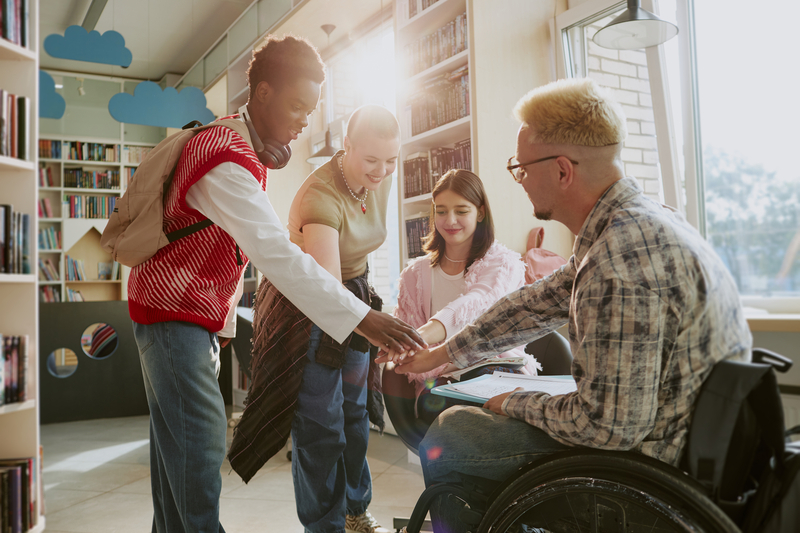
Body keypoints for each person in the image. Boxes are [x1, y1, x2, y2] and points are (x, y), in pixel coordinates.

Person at [379, 77, 752, 532]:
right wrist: (440, 355)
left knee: (452, 434)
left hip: (651, 469)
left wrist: (515, 401)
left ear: (561, 170)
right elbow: (533, 305)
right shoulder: (627, 226)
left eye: (521, 168)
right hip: (659, 432)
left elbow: (608, 429)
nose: (518, 180)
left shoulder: (620, 259)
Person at [127, 35, 424, 533]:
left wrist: (219, 330)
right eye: (297, 107)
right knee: (197, 462)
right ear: (261, 94)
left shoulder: (237, 146)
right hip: (172, 317)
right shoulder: (225, 158)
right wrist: (364, 317)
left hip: (182, 319)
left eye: (311, 111)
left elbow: (225, 255)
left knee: (174, 469)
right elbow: (279, 258)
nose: (304, 121)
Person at [229, 104, 400, 533]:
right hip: (307, 309)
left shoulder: (379, 177)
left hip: (352, 298)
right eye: (372, 160)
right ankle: (324, 527)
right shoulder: (320, 195)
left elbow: (359, 256)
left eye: (391, 160)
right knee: (322, 428)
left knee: (354, 418)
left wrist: (371, 309)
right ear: (347, 146)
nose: (382, 171)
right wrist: (373, 323)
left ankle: (355, 512)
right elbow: (327, 287)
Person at [394, 169, 540, 424]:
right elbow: (405, 333)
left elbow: (475, 303)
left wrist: (422, 335)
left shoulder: (502, 264)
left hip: (497, 370)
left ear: (480, 213)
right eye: (441, 211)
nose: (450, 220)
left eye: (461, 211)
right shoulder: (414, 275)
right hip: (441, 380)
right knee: (457, 419)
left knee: (488, 420)